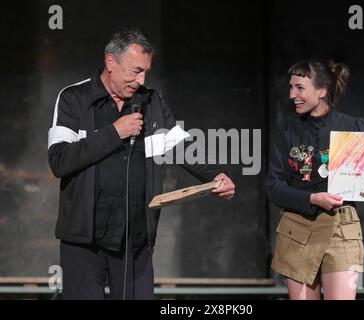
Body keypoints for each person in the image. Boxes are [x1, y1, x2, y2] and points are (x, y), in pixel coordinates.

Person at [47, 27, 235, 300]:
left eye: (146, 71)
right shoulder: (74, 99)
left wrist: (216, 174)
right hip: (83, 241)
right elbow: (59, 161)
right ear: (111, 62)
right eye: (135, 71)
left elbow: (181, 148)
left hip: (134, 240)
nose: (141, 79)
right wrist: (114, 132)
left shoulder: (151, 102)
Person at [266, 60, 364, 300]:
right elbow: (273, 187)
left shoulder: (353, 126)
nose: (292, 95)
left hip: (341, 228)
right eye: (291, 87)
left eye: (300, 88)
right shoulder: (286, 131)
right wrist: (312, 199)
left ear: (321, 91)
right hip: (298, 229)